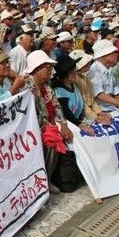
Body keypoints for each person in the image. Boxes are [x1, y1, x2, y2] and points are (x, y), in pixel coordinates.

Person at [24, 50, 74, 194]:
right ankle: (45, 178)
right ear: (37, 68)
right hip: (35, 126)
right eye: (47, 67)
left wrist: (63, 124)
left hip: (50, 122)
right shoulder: (27, 86)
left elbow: (56, 105)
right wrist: (51, 126)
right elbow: (31, 114)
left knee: (70, 132)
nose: (50, 70)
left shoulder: (46, 85)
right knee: (51, 139)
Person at [52, 54, 95, 135]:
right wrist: (80, 124)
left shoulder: (73, 85)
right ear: (63, 74)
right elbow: (66, 112)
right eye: (71, 71)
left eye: (75, 69)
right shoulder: (59, 91)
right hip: (68, 125)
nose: (75, 73)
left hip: (78, 120)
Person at [88, 39, 119, 112]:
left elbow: (116, 92)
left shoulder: (109, 68)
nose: (117, 54)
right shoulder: (94, 70)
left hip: (112, 107)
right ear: (104, 56)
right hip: (101, 110)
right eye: (113, 53)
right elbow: (99, 95)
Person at [71, 50, 111, 124]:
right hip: (81, 115)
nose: (89, 63)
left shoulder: (84, 77)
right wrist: (95, 117)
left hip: (90, 113)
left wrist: (100, 113)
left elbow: (91, 99)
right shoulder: (75, 80)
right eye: (86, 62)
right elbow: (82, 104)